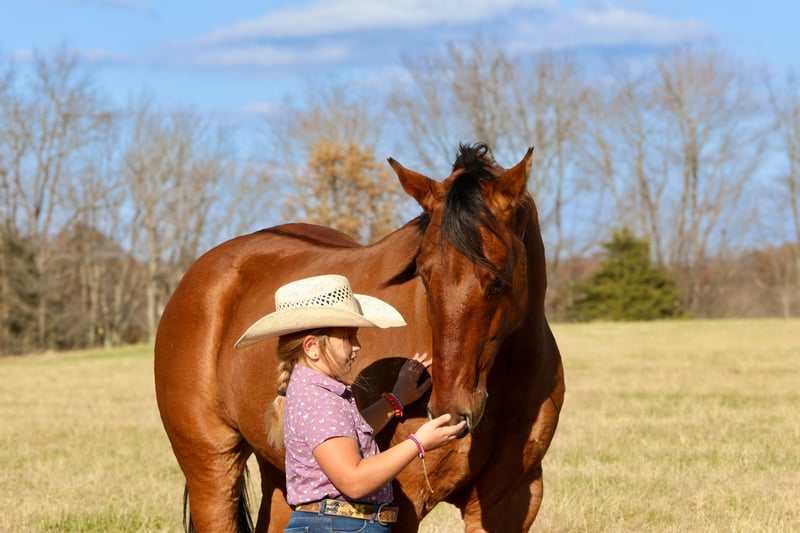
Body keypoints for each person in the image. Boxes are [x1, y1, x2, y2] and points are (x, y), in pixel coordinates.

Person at [235, 274, 464, 532]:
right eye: (348, 337)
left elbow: (348, 435)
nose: (357, 346)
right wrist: (419, 443)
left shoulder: (315, 391)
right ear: (312, 347)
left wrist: (395, 400)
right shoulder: (319, 401)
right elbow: (353, 481)